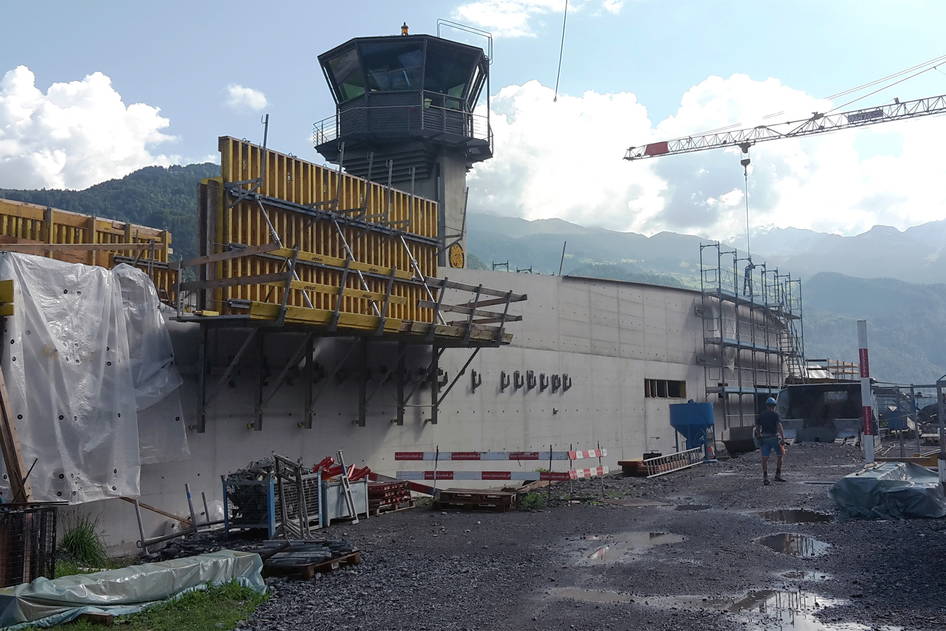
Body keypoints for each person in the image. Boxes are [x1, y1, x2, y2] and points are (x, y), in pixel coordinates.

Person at [755, 397, 785, 485]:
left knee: (765, 458)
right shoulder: (775, 415)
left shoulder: (761, 415)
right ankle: (777, 475)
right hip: (774, 438)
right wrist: (783, 438)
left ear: (766, 405)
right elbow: (779, 426)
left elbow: (757, 427)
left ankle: (765, 477)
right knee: (780, 455)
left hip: (765, 438)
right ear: (774, 406)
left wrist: (759, 435)